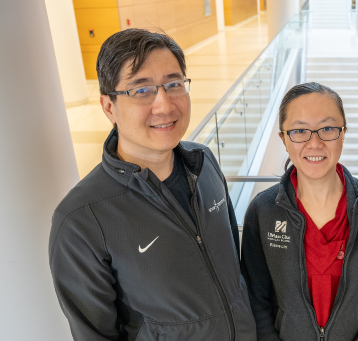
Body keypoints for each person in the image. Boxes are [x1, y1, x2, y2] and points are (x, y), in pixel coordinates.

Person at [49, 29, 257, 340]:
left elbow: (233, 272)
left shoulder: (204, 162)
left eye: (174, 84)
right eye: (142, 90)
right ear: (109, 107)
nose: (164, 105)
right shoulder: (82, 219)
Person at [240, 82, 358, 341]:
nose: (314, 143)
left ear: (343, 132)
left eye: (327, 129)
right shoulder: (263, 211)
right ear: (284, 139)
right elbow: (256, 299)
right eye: (299, 130)